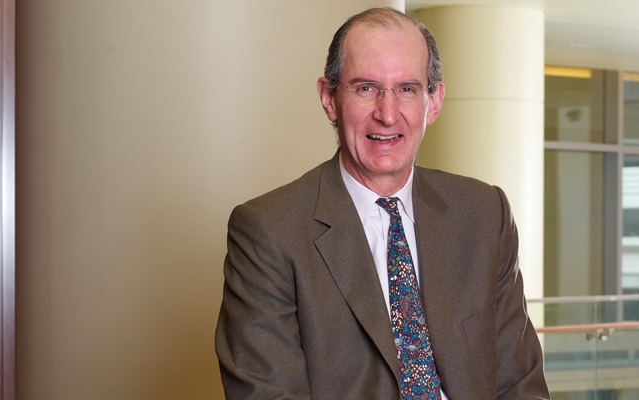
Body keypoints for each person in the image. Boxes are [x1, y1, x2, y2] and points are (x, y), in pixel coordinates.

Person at [215, 7, 549, 400]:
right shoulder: (268, 230)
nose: (387, 115)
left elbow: (520, 385)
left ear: (434, 100)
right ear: (329, 99)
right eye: (366, 88)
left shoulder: (484, 213)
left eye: (407, 89)